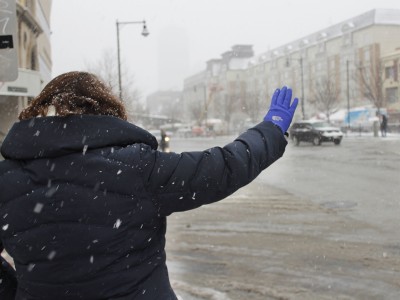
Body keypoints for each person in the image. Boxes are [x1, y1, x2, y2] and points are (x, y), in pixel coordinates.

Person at [0, 71, 298, 300]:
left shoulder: (6, 180)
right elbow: (222, 167)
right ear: (107, 110)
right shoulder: (137, 168)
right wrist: (269, 130)